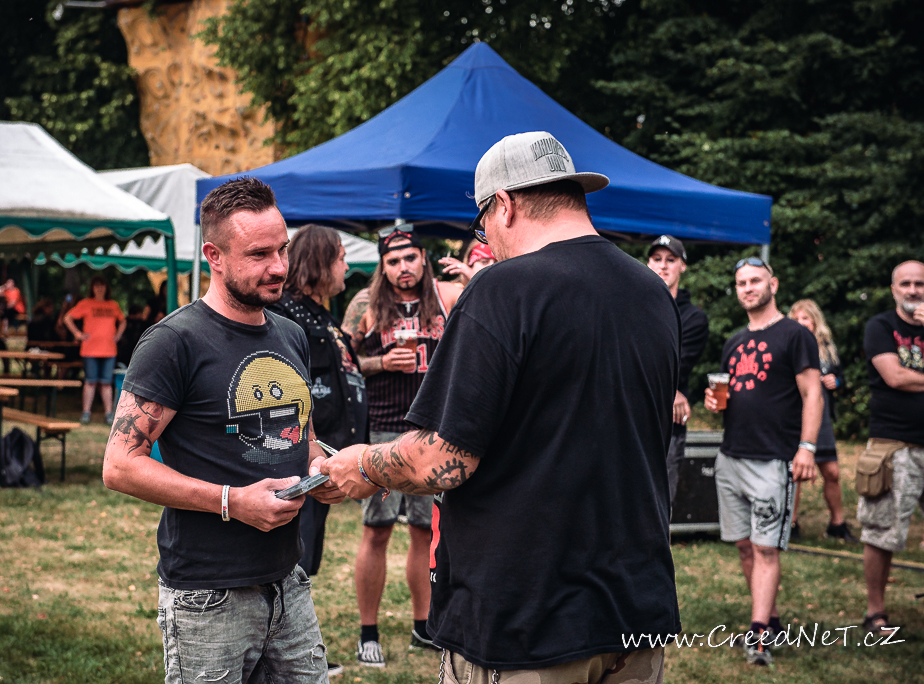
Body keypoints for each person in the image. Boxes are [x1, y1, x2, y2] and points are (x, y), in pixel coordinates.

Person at [320, 131, 680, 683]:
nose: (485, 238)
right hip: (636, 610)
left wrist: (364, 464)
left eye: (481, 222)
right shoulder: (650, 291)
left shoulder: (502, 289)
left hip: (526, 619)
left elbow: (443, 458)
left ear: (504, 205)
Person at [102, 176, 342, 684]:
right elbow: (120, 466)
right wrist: (232, 501)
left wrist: (323, 467)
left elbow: (302, 433)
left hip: (288, 583)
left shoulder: (291, 334)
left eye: (282, 249)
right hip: (208, 596)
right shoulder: (173, 341)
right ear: (213, 255)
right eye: (259, 254)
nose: (279, 267)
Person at [340, 222, 461, 666]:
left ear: (423, 259)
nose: (403, 267)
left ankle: (423, 625)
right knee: (377, 530)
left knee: (424, 532)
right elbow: (342, 362)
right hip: (385, 428)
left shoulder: (446, 297)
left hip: (434, 430)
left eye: (410, 258)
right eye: (393, 261)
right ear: (383, 266)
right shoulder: (365, 303)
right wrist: (381, 362)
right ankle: (367, 632)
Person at [704, 257, 822, 666]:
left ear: (773, 284)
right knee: (743, 545)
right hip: (731, 455)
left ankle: (757, 637)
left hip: (774, 458)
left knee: (766, 547)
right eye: (741, 283)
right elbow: (735, 393)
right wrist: (715, 403)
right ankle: (769, 618)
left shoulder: (795, 334)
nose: (748, 288)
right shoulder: (734, 341)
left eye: (755, 280)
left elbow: (812, 393)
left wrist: (807, 447)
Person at [268, 225, 368, 579]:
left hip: (323, 459)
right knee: (293, 563)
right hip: (298, 460)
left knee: (306, 563)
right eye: (341, 258)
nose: (346, 267)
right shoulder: (284, 315)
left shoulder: (322, 315)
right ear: (320, 261)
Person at [859, 260, 924, 636]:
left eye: (920, 283)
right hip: (894, 444)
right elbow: (895, 376)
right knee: (882, 531)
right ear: (893, 289)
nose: (913, 290)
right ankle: (875, 611)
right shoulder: (881, 326)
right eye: (905, 283)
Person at [787, 299, 856, 542]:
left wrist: (834, 381)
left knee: (832, 471)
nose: (801, 323)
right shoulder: (788, 345)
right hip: (796, 415)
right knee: (794, 473)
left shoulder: (827, 348)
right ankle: (790, 524)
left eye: (805, 318)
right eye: (796, 319)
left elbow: (841, 377)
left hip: (822, 417)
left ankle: (837, 524)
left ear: (815, 321)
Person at [646, 235, 708, 507]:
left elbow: (676, 363)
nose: (663, 266)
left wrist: (670, 389)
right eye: (657, 259)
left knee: (659, 505)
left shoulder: (693, 317)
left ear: (682, 265)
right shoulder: (633, 305)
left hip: (668, 424)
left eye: (670, 260)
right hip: (630, 418)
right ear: (648, 264)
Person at [64, 276, 126, 424]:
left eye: (102, 285)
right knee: (90, 382)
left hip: (109, 350)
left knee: (106, 383)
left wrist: (118, 335)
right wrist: (78, 334)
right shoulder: (86, 303)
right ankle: (86, 413)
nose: (99, 288)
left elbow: (123, 320)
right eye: (96, 285)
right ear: (92, 288)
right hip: (90, 349)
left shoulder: (113, 305)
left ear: (106, 288)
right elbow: (67, 318)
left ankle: (109, 414)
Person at [114, 303, 151, 368]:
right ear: (138, 313)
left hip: (123, 353)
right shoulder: (141, 323)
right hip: (136, 352)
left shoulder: (124, 323)